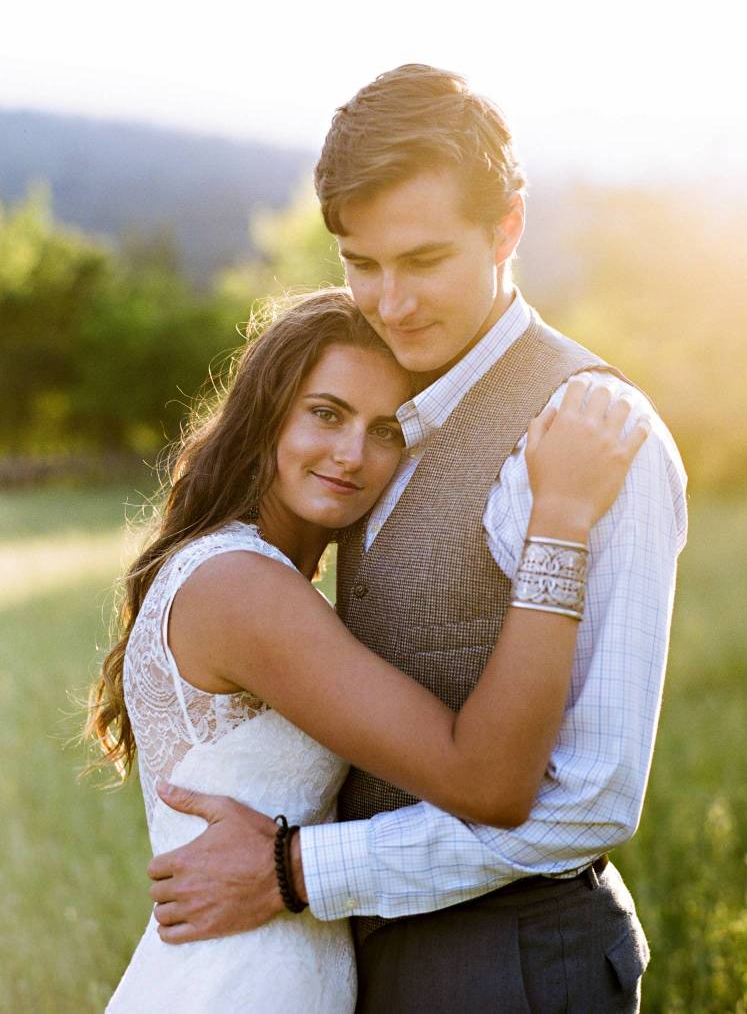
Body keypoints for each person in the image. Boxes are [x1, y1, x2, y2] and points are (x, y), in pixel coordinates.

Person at [146, 65, 688, 1012]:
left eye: (424, 260)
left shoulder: (597, 435)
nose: (389, 303)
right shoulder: (391, 413)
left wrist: (302, 871)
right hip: (362, 955)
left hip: (510, 958)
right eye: (361, 262)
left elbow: (592, 795)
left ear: (507, 227)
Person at [88, 287, 649, 1012]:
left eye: (387, 430)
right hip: (242, 983)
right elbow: (490, 783)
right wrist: (561, 521)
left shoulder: (255, 579)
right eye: (326, 414)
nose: (352, 455)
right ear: (266, 416)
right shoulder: (240, 588)